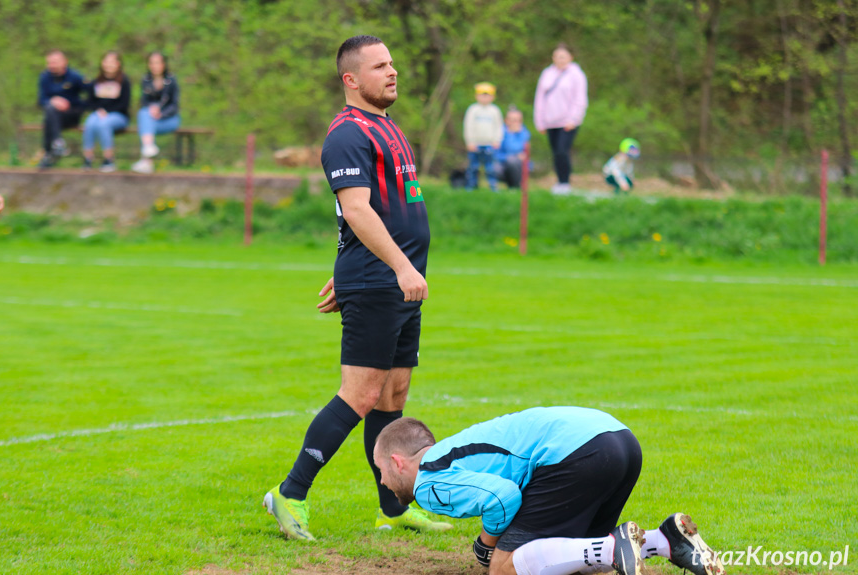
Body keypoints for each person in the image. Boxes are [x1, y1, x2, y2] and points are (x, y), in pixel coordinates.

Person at [262, 35, 449, 541]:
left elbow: (358, 216)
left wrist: (354, 264)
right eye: (379, 66)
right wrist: (392, 268)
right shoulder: (346, 134)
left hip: (386, 277)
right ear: (351, 79)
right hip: (384, 278)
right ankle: (290, 493)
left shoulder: (385, 126)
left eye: (393, 62)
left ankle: (391, 509)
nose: (392, 72)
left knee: (394, 392)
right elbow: (359, 208)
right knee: (362, 393)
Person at [374, 407, 726, 575]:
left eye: (381, 470)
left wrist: (486, 542)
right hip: (620, 440)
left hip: (578, 452)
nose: (383, 482)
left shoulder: (428, 481)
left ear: (398, 461)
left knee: (503, 569)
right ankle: (665, 540)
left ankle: (612, 546)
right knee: (578, 561)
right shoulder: (452, 451)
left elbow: (502, 498)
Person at [533, 43, 588, 195]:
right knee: (555, 151)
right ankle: (559, 181)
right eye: (558, 57)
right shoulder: (547, 73)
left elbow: (580, 99)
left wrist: (573, 118)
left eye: (563, 57)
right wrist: (540, 120)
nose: (560, 59)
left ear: (570, 57)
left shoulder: (576, 75)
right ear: (553, 58)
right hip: (550, 121)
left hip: (567, 121)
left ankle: (565, 182)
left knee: (563, 150)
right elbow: (540, 98)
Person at [37, 50, 88, 169]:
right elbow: (41, 100)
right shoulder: (45, 77)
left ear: (64, 62)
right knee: (50, 110)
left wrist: (74, 105)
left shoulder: (75, 76)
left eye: (55, 62)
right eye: (49, 63)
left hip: (72, 114)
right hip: (54, 116)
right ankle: (56, 144)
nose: (52, 65)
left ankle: (49, 152)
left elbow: (90, 93)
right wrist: (53, 101)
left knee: (49, 116)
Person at [131, 52, 181, 174]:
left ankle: (146, 159)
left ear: (164, 64)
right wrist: (152, 108)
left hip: (169, 120)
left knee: (144, 122)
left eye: (157, 62)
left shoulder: (171, 80)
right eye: (152, 63)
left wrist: (161, 113)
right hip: (150, 119)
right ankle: (148, 155)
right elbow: (144, 101)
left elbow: (174, 105)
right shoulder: (146, 80)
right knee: (144, 114)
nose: (154, 66)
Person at [83, 51, 131, 173]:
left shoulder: (124, 82)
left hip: (118, 115)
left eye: (112, 61)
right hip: (98, 114)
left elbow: (124, 104)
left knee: (104, 124)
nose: (109, 64)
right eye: (106, 61)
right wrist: (98, 110)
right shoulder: (96, 81)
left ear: (118, 64)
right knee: (90, 122)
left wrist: (108, 111)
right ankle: (88, 158)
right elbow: (90, 101)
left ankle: (108, 159)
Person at [463, 82, 503, 192]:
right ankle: (471, 186)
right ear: (477, 96)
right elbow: (468, 126)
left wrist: (497, 140)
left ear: (493, 97)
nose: (485, 98)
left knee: (490, 168)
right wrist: (470, 142)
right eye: (482, 95)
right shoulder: (473, 110)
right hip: (475, 144)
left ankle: (493, 186)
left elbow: (499, 127)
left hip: (490, 144)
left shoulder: (495, 110)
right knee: (473, 167)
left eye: (487, 95)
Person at [494, 107, 532, 189]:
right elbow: (496, 153)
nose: (516, 123)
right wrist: (511, 134)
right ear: (506, 120)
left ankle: (515, 187)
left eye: (518, 120)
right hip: (502, 164)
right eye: (513, 120)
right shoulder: (499, 133)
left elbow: (524, 151)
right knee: (510, 161)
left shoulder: (524, 133)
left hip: (519, 165)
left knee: (514, 162)